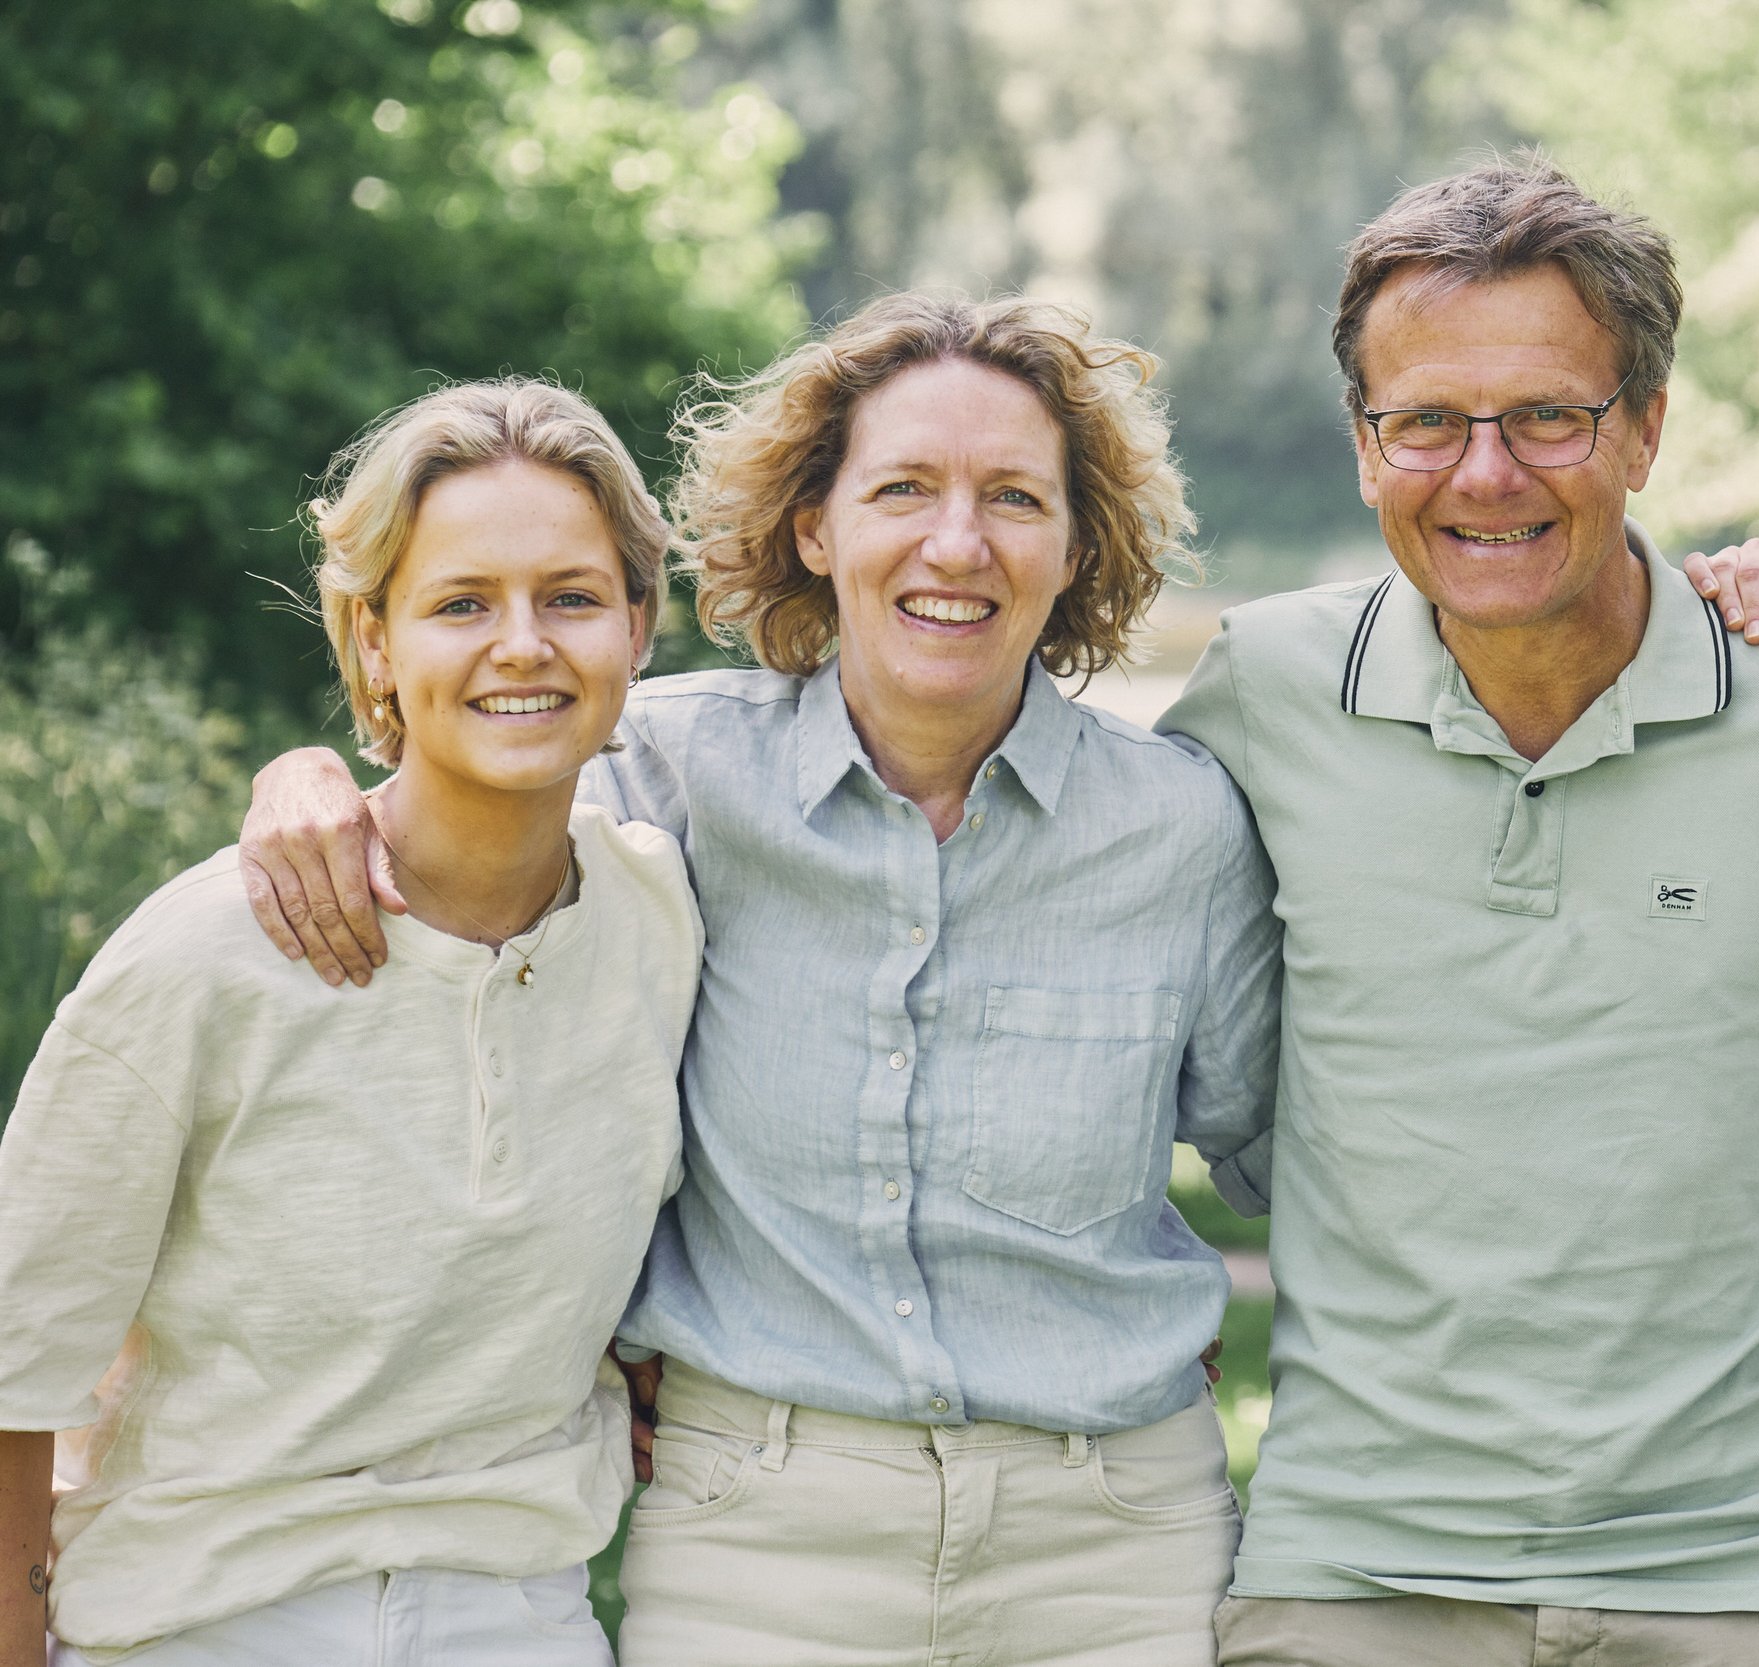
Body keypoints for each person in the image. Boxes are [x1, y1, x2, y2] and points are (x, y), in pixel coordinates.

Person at [237, 293, 1281, 1667]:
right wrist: (305, 778)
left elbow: (1302, 1176)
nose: (954, 543)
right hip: (758, 1532)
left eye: (1016, 497)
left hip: (1117, 1539)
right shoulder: (655, 781)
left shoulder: (1183, 827)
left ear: (1079, 540)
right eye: (901, 487)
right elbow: (443, 816)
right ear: (813, 525)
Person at [1156, 152, 1759, 1667]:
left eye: (1548, 417)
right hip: (1350, 1573)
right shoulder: (1262, 690)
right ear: (1365, 445)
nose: (1485, 475)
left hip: (1738, 1569)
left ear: (1642, 428)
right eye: (1426, 420)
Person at [0, 379, 704, 1665]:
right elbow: (11, 1361)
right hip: (201, 1618)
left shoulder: (664, 916)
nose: (523, 643)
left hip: (523, 1614)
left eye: (572, 595)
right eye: (459, 604)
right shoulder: (204, 952)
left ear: (640, 624)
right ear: (373, 641)